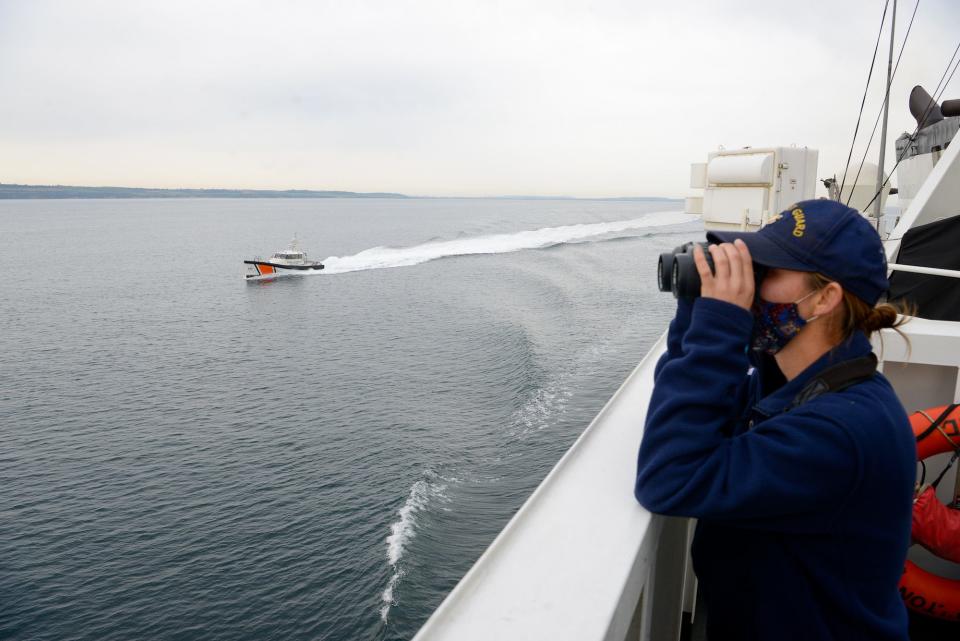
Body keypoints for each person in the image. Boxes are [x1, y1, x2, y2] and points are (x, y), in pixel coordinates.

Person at [635, 199, 916, 641]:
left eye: (768, 272)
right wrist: (696, 311)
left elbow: (669, 477)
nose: (751, 283)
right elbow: (684, 408)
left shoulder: (840, 431)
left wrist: (719, 324)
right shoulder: (790, 384)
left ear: (824, 299)